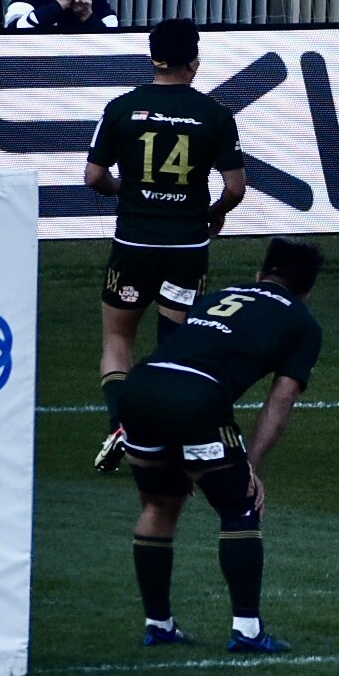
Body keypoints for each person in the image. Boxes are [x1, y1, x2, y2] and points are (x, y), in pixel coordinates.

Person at [119, 237, 324, 653]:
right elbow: (282, 398)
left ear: (260, 275)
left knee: (158, 505)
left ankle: (159, 624)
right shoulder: (303, 322)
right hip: (197, 397)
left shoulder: (217, 296)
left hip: (140, 386)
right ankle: (247, 630)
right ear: (307, 291)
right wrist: (250, 465)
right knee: (240, 505)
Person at [85, 18, 247, 473]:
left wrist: (126, 190)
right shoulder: (215, 115)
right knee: (174, 345)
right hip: (186, 247)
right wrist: (214, 213)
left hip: (134, 242)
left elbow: (93, 177)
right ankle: (165, 431)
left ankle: (121, 423)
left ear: (153, 58)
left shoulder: (121, 108)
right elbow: (235, 188)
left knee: (118, 337)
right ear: (194, 61)